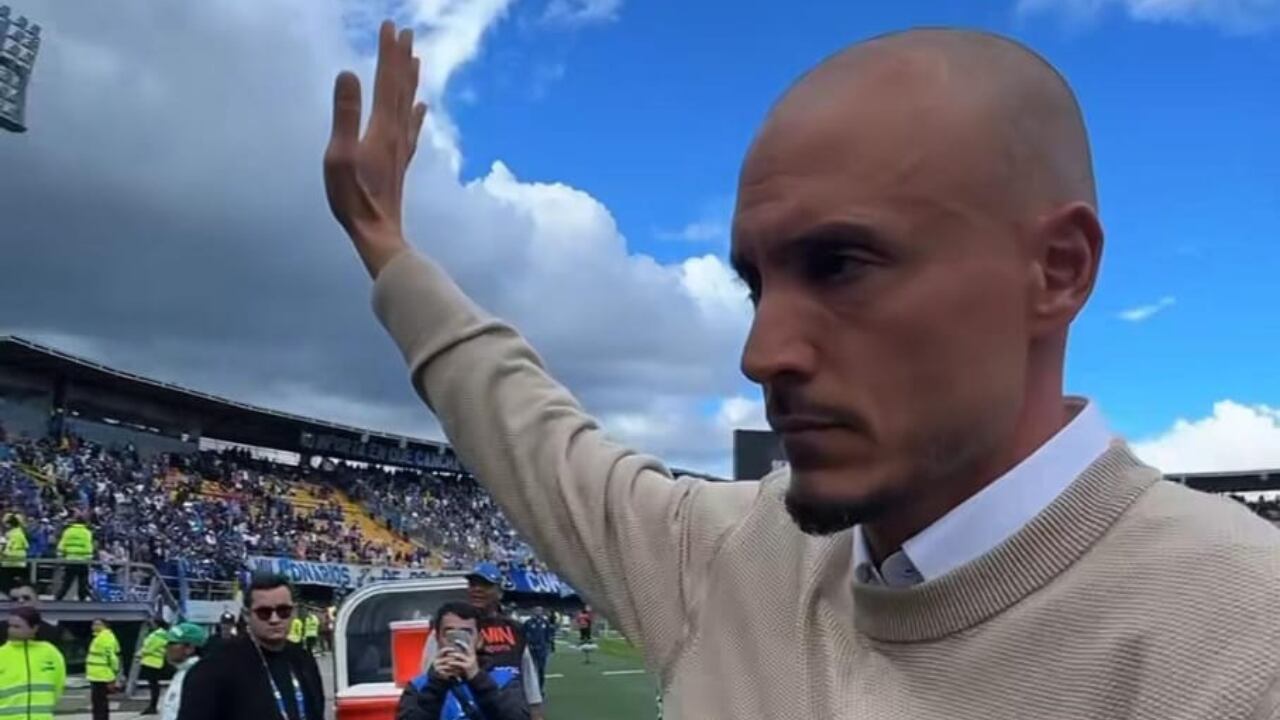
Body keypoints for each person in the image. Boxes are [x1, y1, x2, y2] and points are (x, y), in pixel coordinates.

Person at [325, 22, 1280, 718]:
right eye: (756, 283)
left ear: (1058, 271)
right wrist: (389, 252)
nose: (762, 354)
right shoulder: (735, 557)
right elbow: (535, 436)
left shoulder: (1245, 639)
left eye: (841, 266)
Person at [176, 573, 324, 720]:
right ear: (247, 615)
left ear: (294, 611)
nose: (274, 619)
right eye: (264, 613)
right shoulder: (213, 669)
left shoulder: (304, 660)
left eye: (283, 611)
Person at [419, 565, 543, 718]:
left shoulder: (514, 629)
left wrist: (536, 712)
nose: (477, 589)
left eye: (485, 584)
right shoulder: (448, 626)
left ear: (499, 592)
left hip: (505, 708)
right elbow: (426, 677)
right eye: (472, 584)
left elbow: (529, 679)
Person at [397, 602, 529, 720]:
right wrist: (436, 686)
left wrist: (477, 679)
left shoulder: (504, 680)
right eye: (450, 634)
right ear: (437, 638)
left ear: (480, 640)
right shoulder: (419, 686)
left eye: (466, 633)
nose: (458, 642)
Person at [0, 606, 66, 720]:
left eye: (17, 627)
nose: (11, 630)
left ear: (34, 628)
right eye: (10, 626)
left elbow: (58, 685)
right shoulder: (2, 654)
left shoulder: (50, 652)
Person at [160, 623, 206, 720]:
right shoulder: (181, 673)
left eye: (172, 643)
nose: (166, 647)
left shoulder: (199, 678)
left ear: (189, 648)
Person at [54, 513, 93, 601]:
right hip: (82, 561)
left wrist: (60, 555)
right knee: (82, 582)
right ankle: (82, 599)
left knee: (67, 582)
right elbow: (88, 546)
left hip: (70, 559)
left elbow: (62, 544)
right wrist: (89, 558)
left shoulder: (68, 531)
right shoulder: (86, 532)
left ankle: (59, 597)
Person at [86, 618, 120, 720]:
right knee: (99, 702)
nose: (95, 626)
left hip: (101, 675)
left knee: (99, 703)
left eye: (98, 624)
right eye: (94, 624)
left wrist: (114, 673)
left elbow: (112, 657)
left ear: (105, 626)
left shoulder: (105, 637)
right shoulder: (100, 637)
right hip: (97, 675)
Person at [137, 620, 170, 715]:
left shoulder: (158, 635)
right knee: (154, 685)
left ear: (157, 624)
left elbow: (150, 647)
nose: (151, 625)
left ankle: (153, 707)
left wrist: (139, 653)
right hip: (155, 662)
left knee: (154, 686)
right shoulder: (163, 634)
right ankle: (152, 706)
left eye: (152, 623)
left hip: (151, 662)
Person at [520, 607, 553, 690]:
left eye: (540, 611)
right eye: (536, 611)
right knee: (531, 669)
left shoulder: (545, 622)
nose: (538, 612)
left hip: (542, 649)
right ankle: (531, 688)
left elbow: (549, 635)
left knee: (541, 670)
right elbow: (522, 635)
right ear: (533, 612)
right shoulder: (528, 623)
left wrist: (549, 646)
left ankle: (540, 688)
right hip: (531, 649)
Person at [1, 516, 28, 594]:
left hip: (13, 561)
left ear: (10, 524)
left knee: (5, 580)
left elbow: (10, 548)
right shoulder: (17, 533)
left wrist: (3, 554)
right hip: (14, 561)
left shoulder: (15, 534)